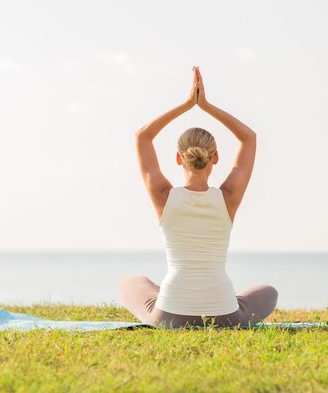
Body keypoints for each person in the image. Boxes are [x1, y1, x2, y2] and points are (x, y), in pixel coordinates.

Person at [118, 66, 278, 329]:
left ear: (179, 158)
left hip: (169, 315)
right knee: (268, 291)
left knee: (129, 283)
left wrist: (187, 104)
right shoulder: (228, 197)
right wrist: (205, 105)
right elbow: (248, 138)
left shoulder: (163, 196)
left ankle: (171, 294)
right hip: (226, 316)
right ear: (215, 158)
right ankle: (216, 297)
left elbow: (142, 136)